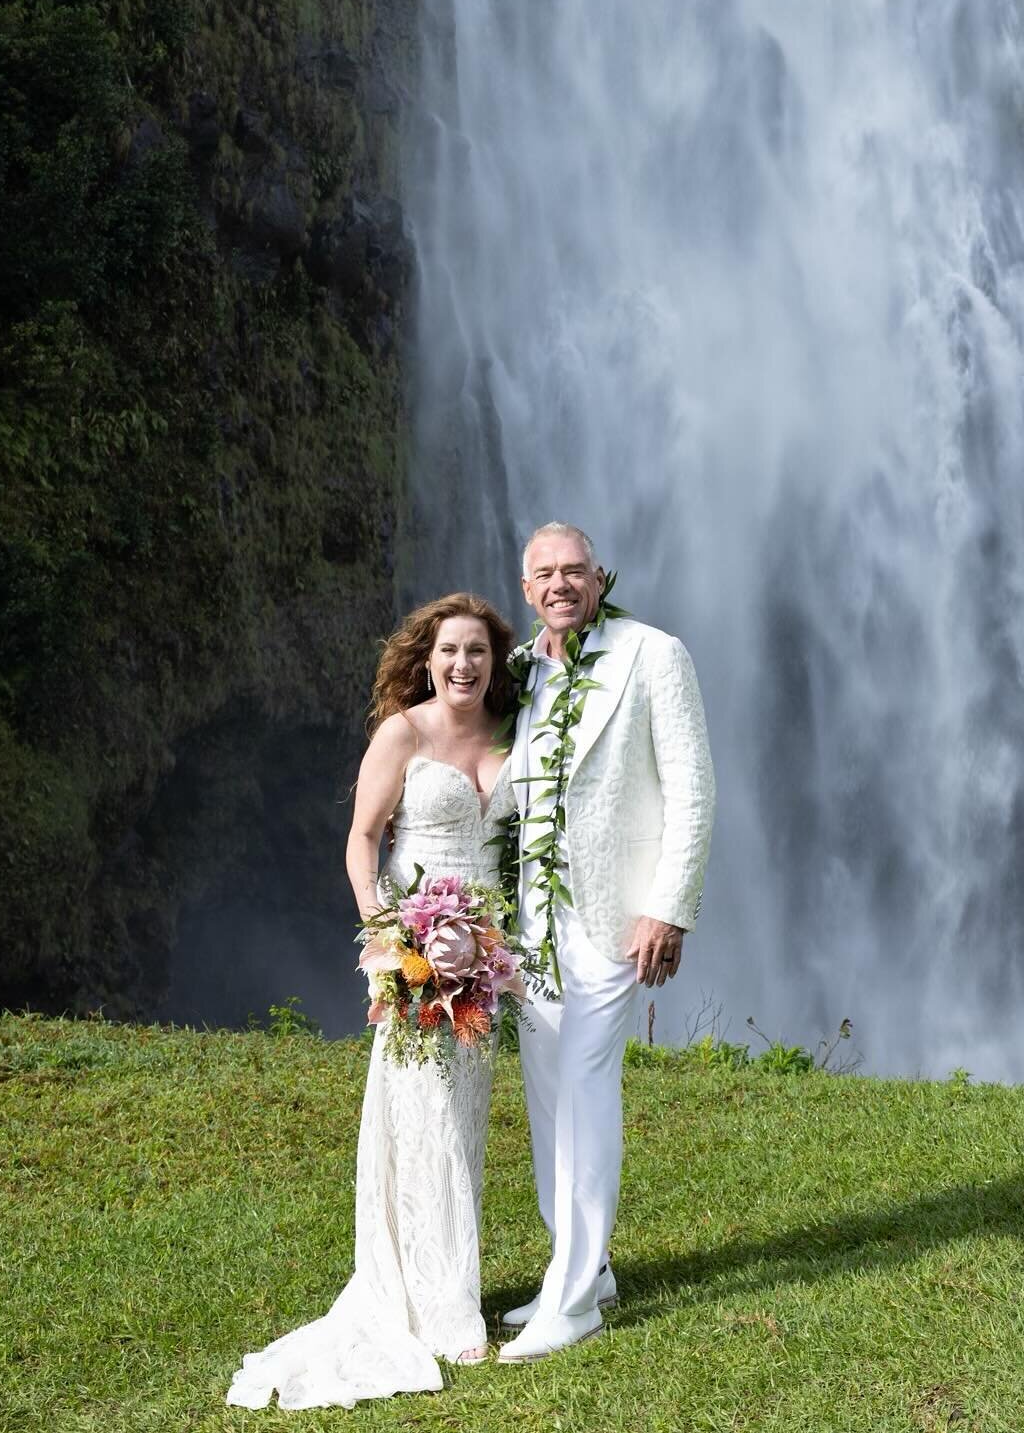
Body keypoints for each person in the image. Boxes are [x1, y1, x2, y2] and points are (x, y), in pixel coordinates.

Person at [227, 593, 518, 1409]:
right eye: (450, 650)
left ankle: (444, 1275)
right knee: (422, 1114)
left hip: (486, 960)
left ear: (496, 664)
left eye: (478, 653)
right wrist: (390, 940)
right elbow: (363, 838)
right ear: (425, 658)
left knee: (460, 1118)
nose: (463, 664)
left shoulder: (509, 735)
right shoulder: (403, 732)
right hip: (417, 953)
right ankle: (443, 1303)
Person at [499, 523, 715, 1364]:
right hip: (534, 921)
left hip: (616, 915)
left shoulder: (653, 654)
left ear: (599, 577)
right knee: (549, 1091)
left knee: (586, 1085)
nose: (561, 583)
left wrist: (669, 907)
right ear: (527, 589)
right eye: (544, 573)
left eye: (574, 570)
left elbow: (693, 790)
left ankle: (577, 1299)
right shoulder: (518, 673)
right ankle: (580, 1268)